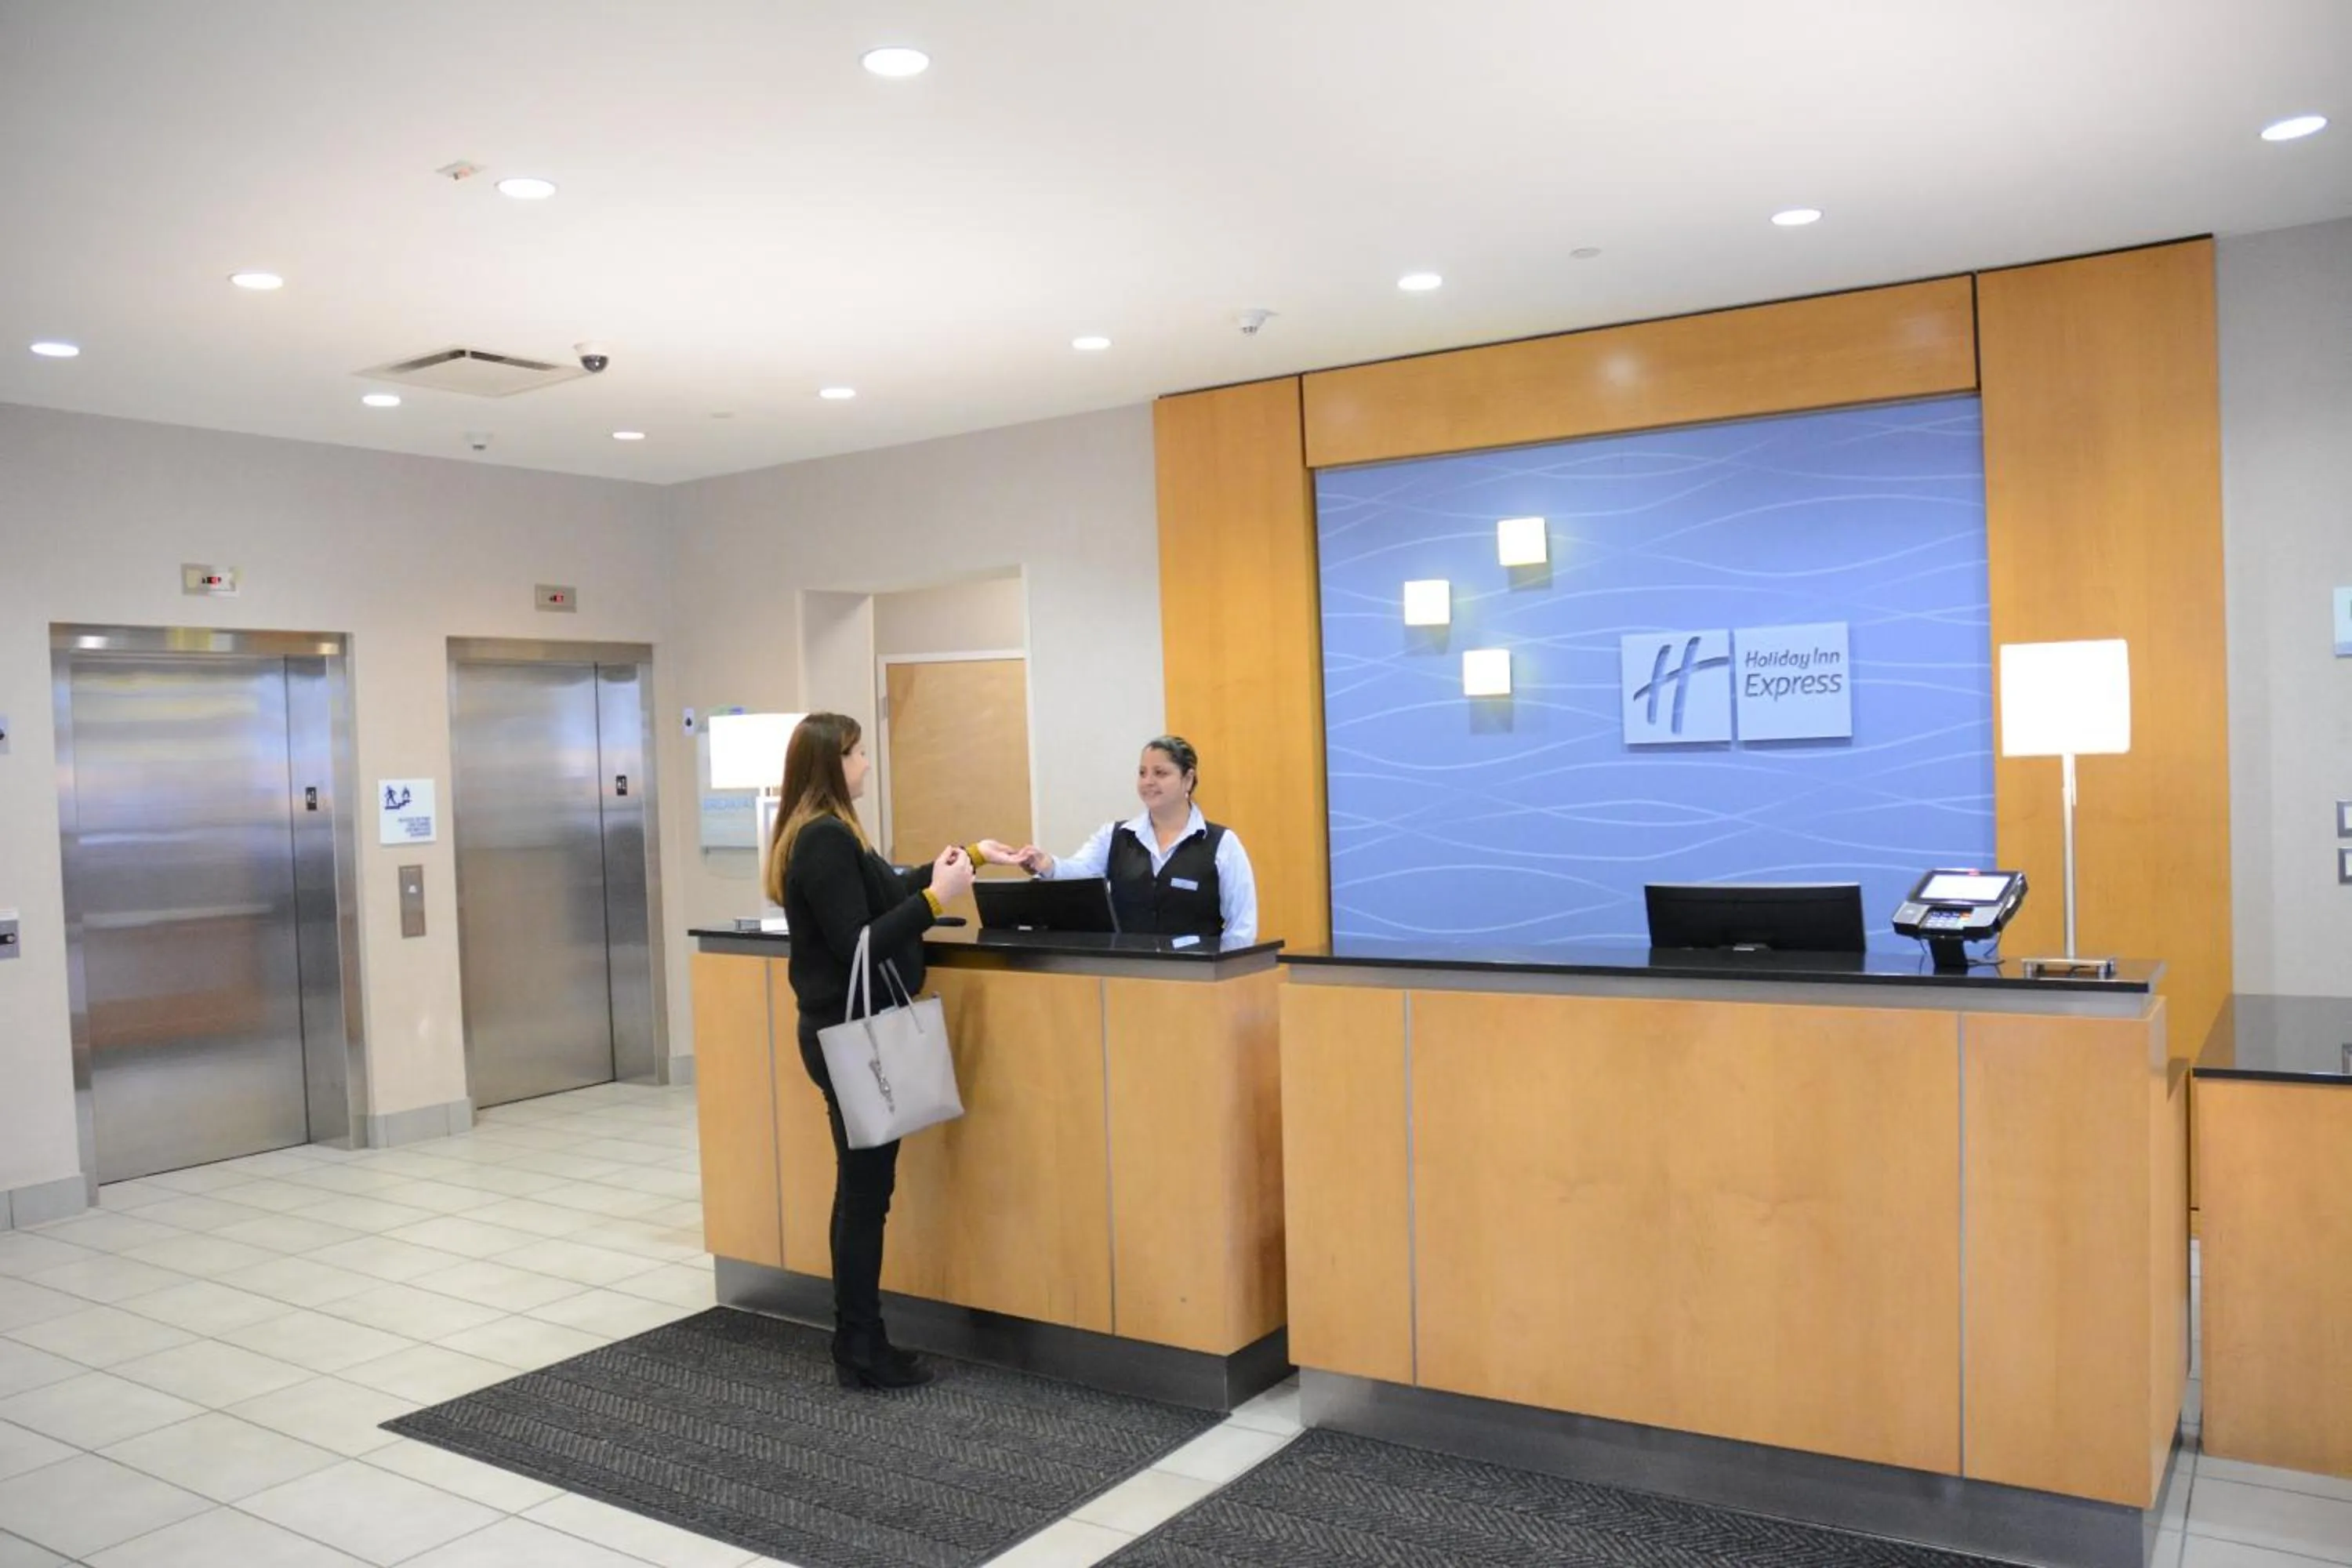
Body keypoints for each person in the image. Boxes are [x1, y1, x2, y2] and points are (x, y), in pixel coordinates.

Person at [763, 711, 981, 1390]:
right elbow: (860, 940)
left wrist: (958, 863)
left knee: (862, 1191)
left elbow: (881, 891)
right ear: (833, 763)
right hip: (847, 1035)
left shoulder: (829, 835)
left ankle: (859, 1336)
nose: (865, 766)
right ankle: (859, 1342)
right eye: (857, 755)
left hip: (838, 1031)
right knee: (864, 1197)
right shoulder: (824, 838)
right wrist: (932, 902)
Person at [981, 735, 1258, 943]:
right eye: (1142, 772)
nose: (1148, 781)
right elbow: (1079, 872)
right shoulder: (1114, 836)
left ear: (1188, 779)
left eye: (1160, 773)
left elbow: (1241, 929)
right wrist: (1047, 863)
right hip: (1128, 979)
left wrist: (1223, 978)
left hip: (1198, 982)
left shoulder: (1222, 844)